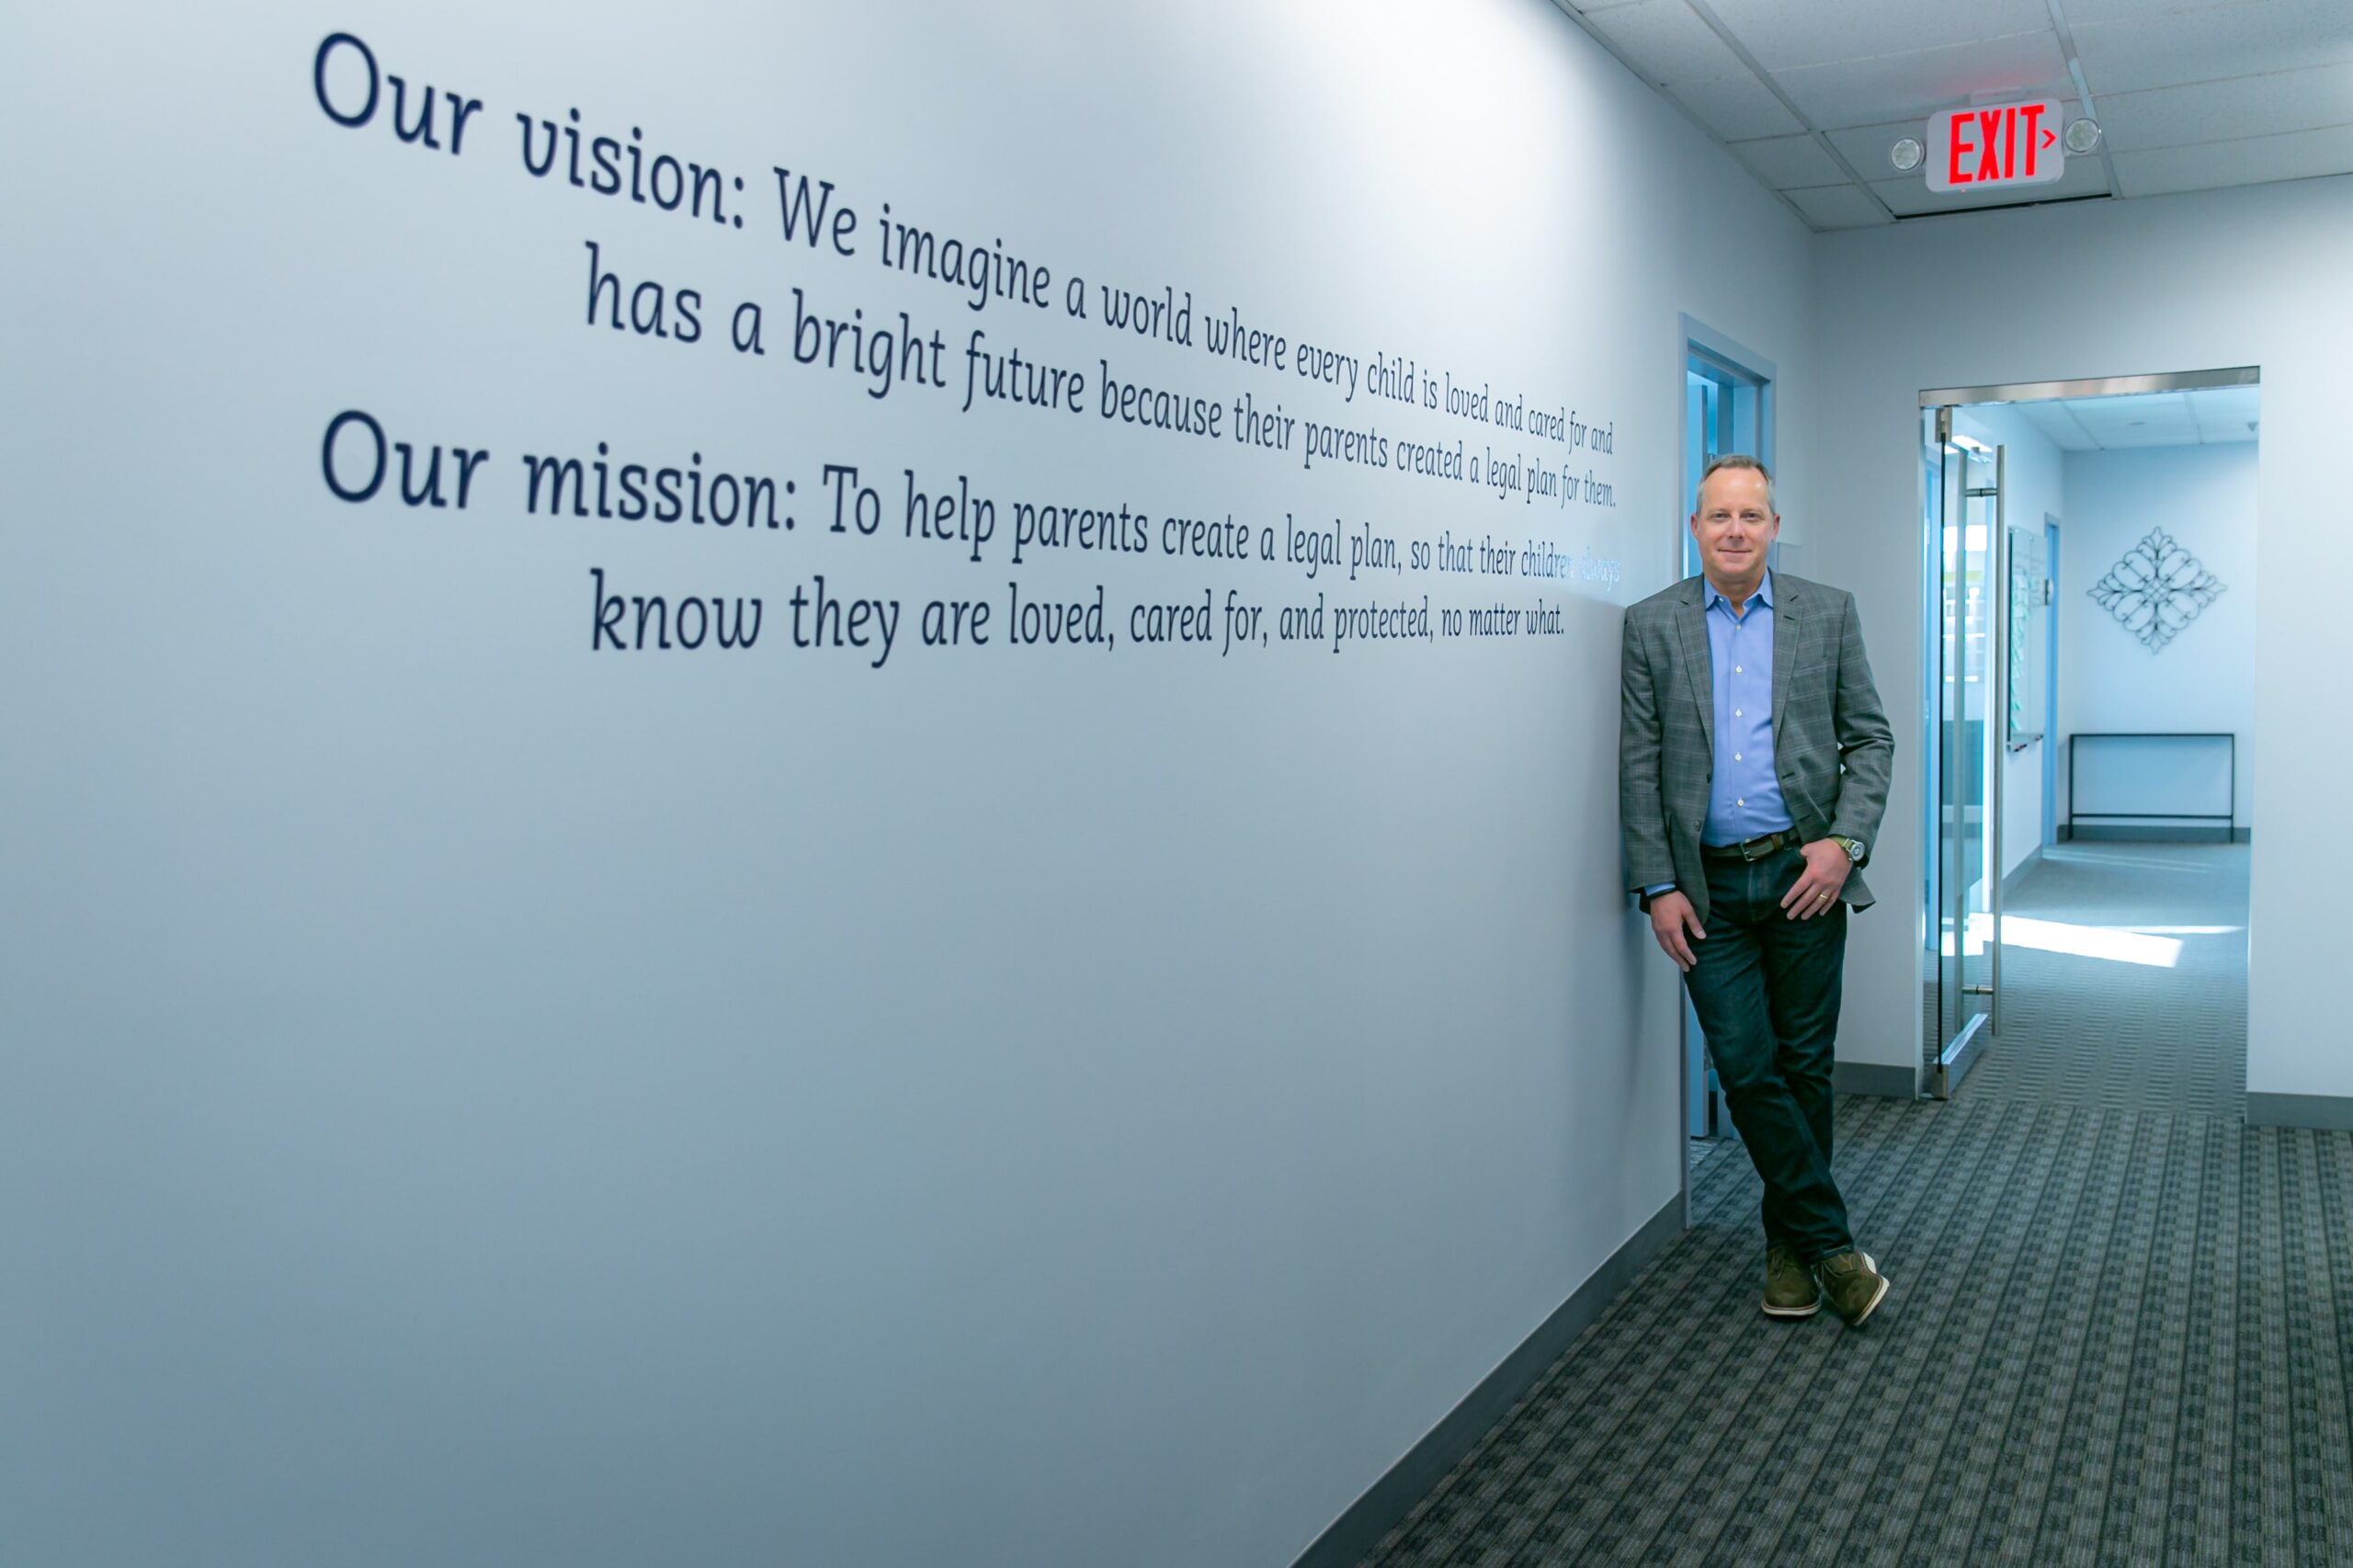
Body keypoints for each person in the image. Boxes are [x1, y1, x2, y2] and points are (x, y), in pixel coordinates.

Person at [1618, 454, 1895, 1326]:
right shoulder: (1651, 625)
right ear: (1694, 528)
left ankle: (1786, 1247)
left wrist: (1843, 848)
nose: (1734, 530)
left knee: (1805, 1065)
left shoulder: (1828, 614)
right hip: (1703, 891)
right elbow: (1638, 766)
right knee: (1745, 1066)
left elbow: (1871, 742)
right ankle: (1833, 1246)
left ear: (1775, 526)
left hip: (1802, 875)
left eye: (1751, 516)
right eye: (1717, 517)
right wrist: (1657, 883)